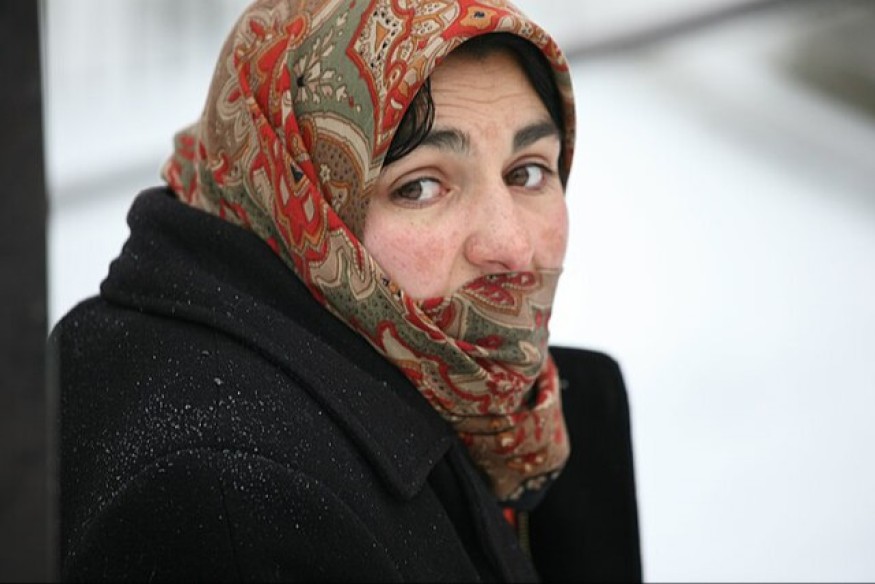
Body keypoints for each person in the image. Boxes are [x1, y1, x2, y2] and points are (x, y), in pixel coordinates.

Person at [49, 0, 641, 580]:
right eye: (419, 187)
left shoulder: (499, 404)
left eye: (528, 172)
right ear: (294, 201)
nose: (510, 245)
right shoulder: (233, 505)